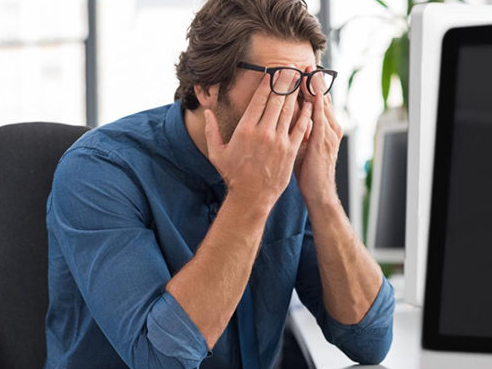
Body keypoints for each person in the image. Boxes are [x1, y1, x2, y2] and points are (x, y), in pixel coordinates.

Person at [43, 0, 395, 368]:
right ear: (207, 87)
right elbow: (161, 360)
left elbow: (369, 340)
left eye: (307, 84)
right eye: (279, 85)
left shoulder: (294, 168)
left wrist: (321, 195)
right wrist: (250, 197)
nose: (296, 109)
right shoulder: (100, 171)